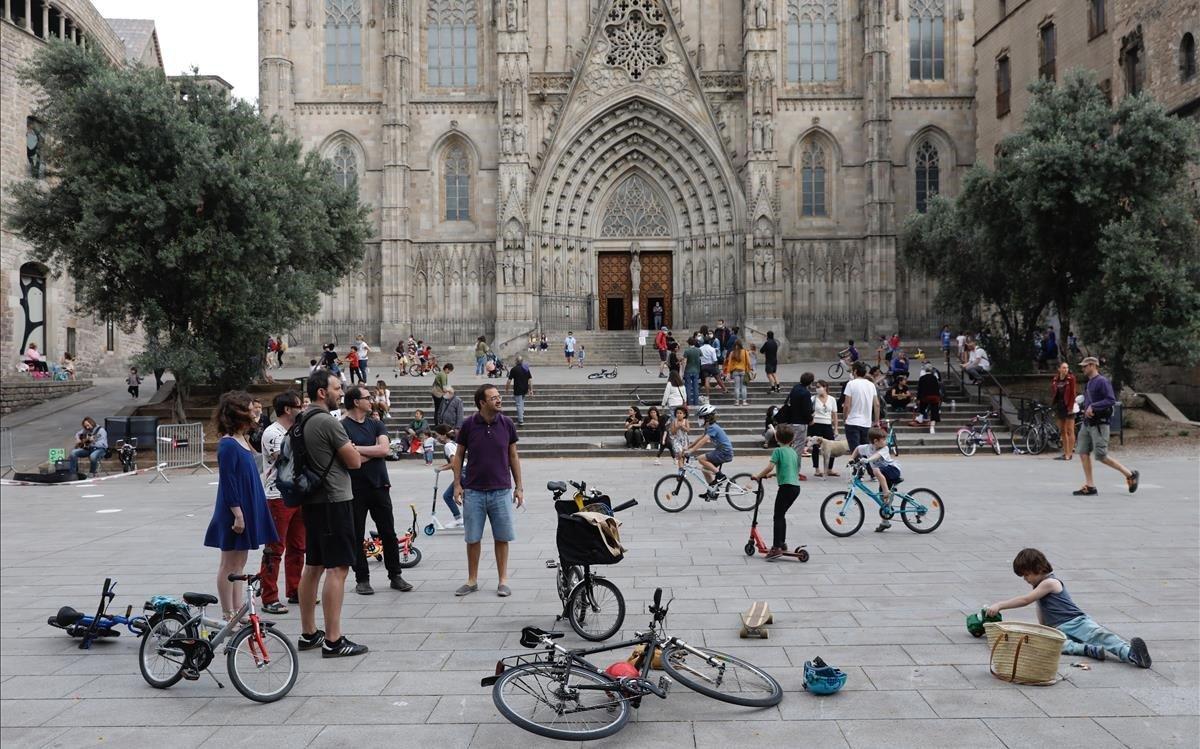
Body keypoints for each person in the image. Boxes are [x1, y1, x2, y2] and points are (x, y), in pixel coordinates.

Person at [296, 369, 369, 658]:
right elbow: (354, 461)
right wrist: (351, 449)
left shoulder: (301, 420)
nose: (342, 393)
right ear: (322, 392)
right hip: (334, 500)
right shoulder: (328, 421)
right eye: (338, 388)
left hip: (311, 500)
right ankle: (333, 640)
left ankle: (308, 633)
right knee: (337, 568)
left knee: (312, 565)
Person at [985, 548, 1151, 667]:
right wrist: (1045, 630)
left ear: (1039, 569)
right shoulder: (1039, 586)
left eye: (1027, 574)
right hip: (1059, 627)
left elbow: (1025, 600)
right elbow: (1041, 610)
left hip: (1076, 622)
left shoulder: (1050, 582)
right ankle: (1089, 650)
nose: (1025, 579)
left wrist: (1000, 605)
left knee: (1102, 637)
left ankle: (1131, 654)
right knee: (1053, 645)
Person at [204, 392, 279, 624]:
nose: (256, 411)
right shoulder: (227, 444)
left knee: (239, 563)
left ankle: (237, 610)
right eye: (250, 408)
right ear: (238, 413)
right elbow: (229, 482)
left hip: (247, 505)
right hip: (235, 509)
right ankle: (228, 613)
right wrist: (238, 514)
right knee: (229, 562)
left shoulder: (242, 440)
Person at [451, 384, 524, 597]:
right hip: (473, 491)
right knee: (472, 538)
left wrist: (519, 486)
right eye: (494, 398)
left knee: (502, 537)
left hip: (501, 490)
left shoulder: (507, 424)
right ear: (482, 403)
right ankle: (472, 580)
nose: (499, 400)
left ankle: (503, 581)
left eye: (499, 396)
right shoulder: (468, 425)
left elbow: (513, 456)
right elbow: (458, 456)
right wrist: (457, 484)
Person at [342, 385, 412, 596]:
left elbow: (384, 448)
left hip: (379, 485)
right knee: (356, 534)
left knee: (388, 532)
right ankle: (362, 579)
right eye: (367, 397)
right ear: (356, 402)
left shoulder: (376, 424)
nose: (371, 400)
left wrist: (358, 450)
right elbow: (348, 459)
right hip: (354, 488)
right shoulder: (341, 427)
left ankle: (395, 575)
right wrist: (369, 453)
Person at [258, 391, 306, 614]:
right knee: (275, 548)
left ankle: (295, 589)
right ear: (288, 409)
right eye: (299, 405)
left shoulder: (295, 430)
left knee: (298, 546)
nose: (303, 408)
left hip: (298, 495)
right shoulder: (273, 433)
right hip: (278, 496)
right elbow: (288, 459)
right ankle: (269, 596)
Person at [1074, 357, 1138, 496]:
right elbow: (1090, 400)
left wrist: (1093, 406)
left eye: (1085, 366)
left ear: (1092, 366)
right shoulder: (1089, 383)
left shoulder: (1102, 381)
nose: (1083, 369)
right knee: (1083, 452)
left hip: (1100, 424)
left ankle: (1130, 474)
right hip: (1087, 424)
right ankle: (1090, 486)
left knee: (1101, 456)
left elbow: (1111, 400)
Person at [747, 424, 800, 561]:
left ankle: (776, 547)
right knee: (781, 515)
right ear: (792, 438)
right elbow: (790, 470)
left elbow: (769, 467)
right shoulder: (793, 452)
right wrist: (774, 475)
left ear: (776, 438)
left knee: (777, 516)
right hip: (795, 488)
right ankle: (782, 543)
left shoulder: (778, 451)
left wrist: (758, 476)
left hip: (786, 488)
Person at [850, 426, 902, 532]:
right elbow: (857, 448)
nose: (886, 441)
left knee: (876, 471)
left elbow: (877, 456)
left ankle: (887, 491)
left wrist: (868, 460)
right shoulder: (868, 448)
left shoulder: (884, 448)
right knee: (883, 499)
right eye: (884, 440)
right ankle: (885, 522)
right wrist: (851, 458)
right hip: (883, 475)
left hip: (892, 470)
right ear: (875, 441)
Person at [685, 404, 734, 495]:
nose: (699, 419)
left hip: (724, 452)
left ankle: (720, 476)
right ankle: (712, 490)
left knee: (701, 458)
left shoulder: (713, 428)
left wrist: (691, 451)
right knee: (704, 468)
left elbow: (703, 441)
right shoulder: (709, 428)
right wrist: (688, 447)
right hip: (721, 451)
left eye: (701, 417)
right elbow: (699, 439)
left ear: (707, 418)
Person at [781, 372, 815, 480]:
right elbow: (807, 410)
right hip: (800, 424)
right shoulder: (805, 393)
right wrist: (810, 419)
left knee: (790, 447)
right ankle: (794, 471)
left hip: (791, 422)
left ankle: (786, 469)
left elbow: (788, 403)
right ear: (810, 382)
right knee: (798, 449)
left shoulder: (795, 388)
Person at [841, 361, 878, 454]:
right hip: (866, 423)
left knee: (855, 451)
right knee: (865, 451)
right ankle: (867, 468)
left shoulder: (851, 384)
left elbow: (847, 405)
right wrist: (876, 421)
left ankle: (858, 468)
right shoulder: (871, 385)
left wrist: (845, 418)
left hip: (853, 422)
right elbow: (877, 404)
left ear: (855, 371)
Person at [809, 380, 839, 477]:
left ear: (825, 387)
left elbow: (834, 415)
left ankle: (829, 468)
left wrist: (836, 428)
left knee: (832, 446)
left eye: (820, 386)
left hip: (827, 424)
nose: (818, 389)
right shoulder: (813, 398)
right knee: (815, 447)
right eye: (816, 387)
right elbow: (809, 411)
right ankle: (817, 469)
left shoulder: (832, 399)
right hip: (816, 424)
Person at [1050, 361, 1077, 461]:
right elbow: (1054, 393)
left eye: (1067, 368)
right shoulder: (1055, 379)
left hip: (1069, 406)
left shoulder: (1071, 379)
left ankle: (1069, 454)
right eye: (1064, 368)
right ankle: (1065, 452)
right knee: (1062, 430)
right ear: (1059, 369)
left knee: (1070, 430)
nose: (1066, 369)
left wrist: (1070, 408)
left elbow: (1073, 393)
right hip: (1060, 406)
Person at [723, 340, 753, 406]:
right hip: (743, 371)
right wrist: (750, 370)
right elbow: (748, 362)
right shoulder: (745, 352)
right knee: (744, 387)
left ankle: (737, 402)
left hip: (735, 371)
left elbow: (729, 364)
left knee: (736, 387)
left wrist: (728, 373)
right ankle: (744, 402)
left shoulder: (732, 353)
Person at [506, 355, 533, 426]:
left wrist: (507, 389)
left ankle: (520, 420)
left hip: (517, 389)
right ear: (522, 361)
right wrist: (531, 390)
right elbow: (530, 380)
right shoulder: (526, 369)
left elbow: (509, 380)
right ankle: (522, 414)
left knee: (518, 404)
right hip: (525, 388)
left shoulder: (514, 369)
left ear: (516, 362)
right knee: (522, 402)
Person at [915, 363, 942, 434]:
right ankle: (932, 428)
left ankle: (920, 417)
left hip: (925, 396)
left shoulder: (922, 378)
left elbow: (919, 389)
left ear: (924, 369)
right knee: (934, 411)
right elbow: (937, 388)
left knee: (922, 404)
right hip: (935, 396)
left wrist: (918, 398)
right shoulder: (934, 378)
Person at [682, 336, 703, 405]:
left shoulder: (687, 351)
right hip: (696, 370)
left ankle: (689, 402)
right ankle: (696, 402)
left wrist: (683, 371)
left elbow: (684, 362)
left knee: (688, 387)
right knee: (695, 387)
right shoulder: (698, 350)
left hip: (688, 370)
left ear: (688, 343)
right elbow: (701, 358)